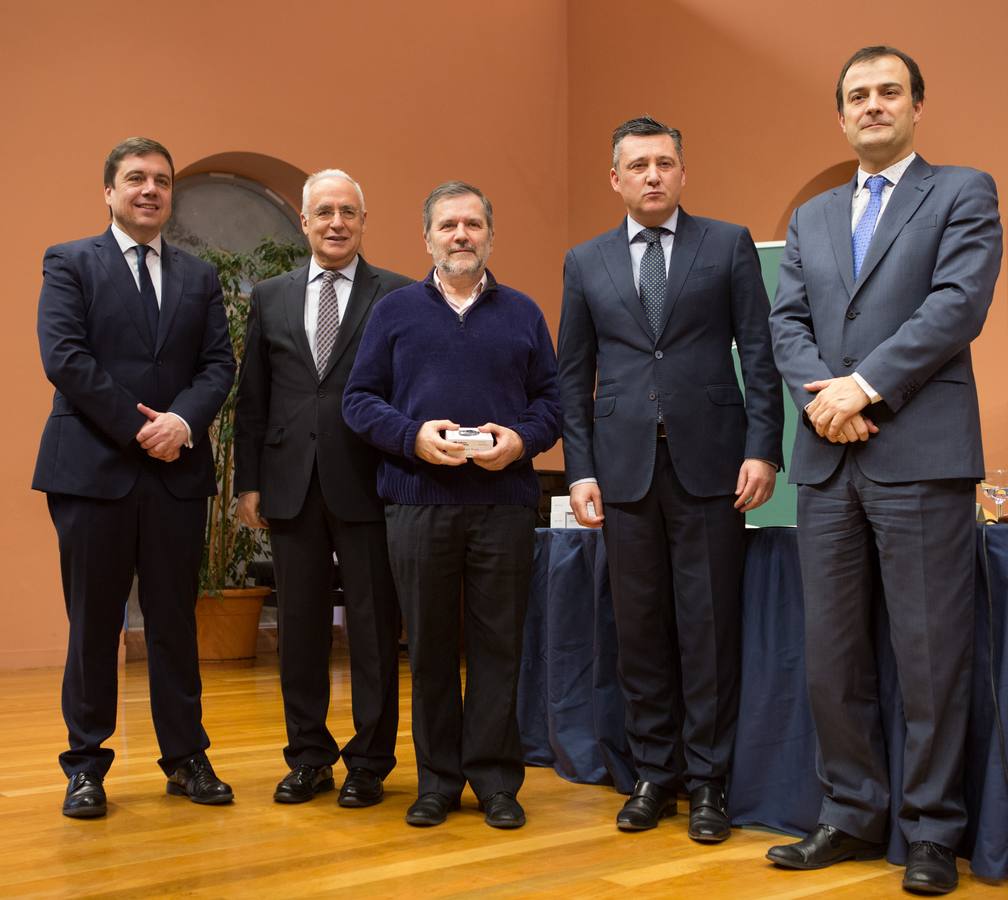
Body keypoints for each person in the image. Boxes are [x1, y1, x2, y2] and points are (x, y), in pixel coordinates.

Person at [766, 46, 1002, 895]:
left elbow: (957, 305)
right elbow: (785, 322)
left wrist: (862, 387)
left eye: (888, 92)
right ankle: (850, 815)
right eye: (857, 96)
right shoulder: (814, 217)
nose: (872, 106)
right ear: (840, 116)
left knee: (931, 655)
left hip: (922, 458)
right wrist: (822, 400)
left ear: (916, 107)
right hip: (827, 465)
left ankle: (933, 832)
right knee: (833, 656)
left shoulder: (964, 192)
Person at [557, 116, 783, 841]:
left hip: (714, 464)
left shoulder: (728, 244)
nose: (653, 175)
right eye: (638, 165)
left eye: (665, 163)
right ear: (615, 179)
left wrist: (764, 448)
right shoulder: (584, 260)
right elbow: (572, 377)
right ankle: (656, 773)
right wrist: (580, 468)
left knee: (709, 626)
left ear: (683, 173)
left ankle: (709, 781)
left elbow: (761, 350)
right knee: (641, 628)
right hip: (621, 472)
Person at [343, 181, 561, 829]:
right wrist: (412, 437)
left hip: (505, 503)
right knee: (431, 646)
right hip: (418, 502)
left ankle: (495, 780)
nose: (460, 234)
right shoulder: (394, 311)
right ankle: (437, 780)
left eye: (472, 224)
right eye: (448, 225)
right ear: (427, 238)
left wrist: (519, 440)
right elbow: (359, 401)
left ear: (491, 235)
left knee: (500, 645)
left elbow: (552, 403)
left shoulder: (523, 312)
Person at [33, 137, 237, 817]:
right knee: (95, 623)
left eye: (161, 180)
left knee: (175, 622)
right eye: (135, 179)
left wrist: (179, 424)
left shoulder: (200, 277)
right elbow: (65, 357)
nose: (150, 189)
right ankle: (86, 766)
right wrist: (137, 426)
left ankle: (185, 759)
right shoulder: (69, 262)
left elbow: (217, 367)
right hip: (92, 470)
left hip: (176, 473)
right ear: (110, 193)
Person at [234, 169, 410, 807]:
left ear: (364, 221)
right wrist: (246, 483)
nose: (336, 223)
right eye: (324, 212)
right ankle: (308, 756)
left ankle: (369, 761)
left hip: (370, 484)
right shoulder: (272, 295)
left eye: (348, 212)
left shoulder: (397, 294)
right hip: (288, 486)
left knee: (372, 628)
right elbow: (252, 399)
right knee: (300, 631)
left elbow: (406, 394)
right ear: (304, 222)